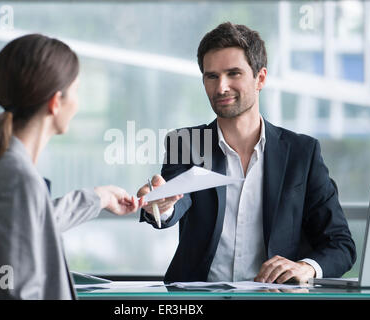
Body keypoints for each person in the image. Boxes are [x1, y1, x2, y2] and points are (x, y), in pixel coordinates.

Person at [137, 22, 356, 284]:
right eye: (212, 76)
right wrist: (160, 205)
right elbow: (176, 201)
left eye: (233, 74)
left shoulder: (302, 153)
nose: (221, 87)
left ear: (260, 78)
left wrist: (305, 268)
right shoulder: (186, 142)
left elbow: (341, 244)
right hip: (199, 299)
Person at [0, 34, 142, 299]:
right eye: (76, 91)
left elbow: (27, 225)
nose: (78, 103)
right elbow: (16, 289)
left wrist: (100, 197)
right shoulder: (17, 180)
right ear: (55, 102)